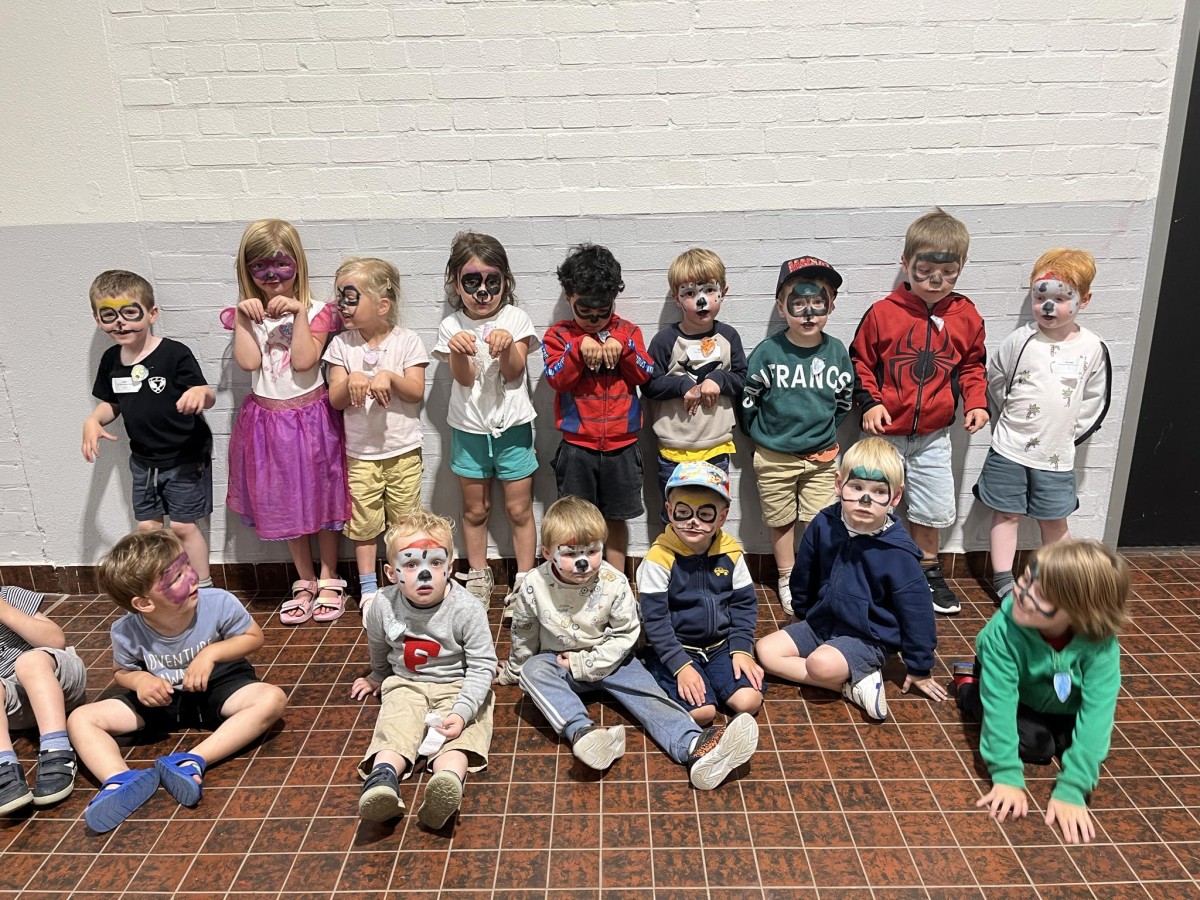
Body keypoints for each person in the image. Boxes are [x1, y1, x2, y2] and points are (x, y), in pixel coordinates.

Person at [499, 496, 759, 790]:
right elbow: (524, 633)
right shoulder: (533, 585)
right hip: (562, 664)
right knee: (533, 671)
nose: (583, 562)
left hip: (612, 659)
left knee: (650, 695)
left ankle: (695, 747)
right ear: (548, 553)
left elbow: (626, 634)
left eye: (592, 551)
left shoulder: (614, 581)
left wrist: (587, 662)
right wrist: (514, 670)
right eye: (570, 553)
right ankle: (584, 734)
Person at [68, 529, 286, 833]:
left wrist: (211, 654)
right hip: (163, 700)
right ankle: (118, 780)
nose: (192, 577)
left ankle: (192, 761)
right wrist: (140, 681)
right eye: (176, 578)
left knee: (272, 699)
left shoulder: (218, 602)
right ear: (144, 604)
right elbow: (122, 671)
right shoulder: (125, 630)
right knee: (80, 718)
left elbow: (254, 637)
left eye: (187, 566)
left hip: (219, 688)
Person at [850, 207, 989, 616]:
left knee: (931, 509)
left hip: (933, 437)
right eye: (925, 270)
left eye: (948, 272)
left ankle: (926, 574)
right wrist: (870, 403)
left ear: (962, 267)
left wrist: (977, 402)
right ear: (906, 263)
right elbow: (859, 363)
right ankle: (869, 572)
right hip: (883, 436)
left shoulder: (966, 317)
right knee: (870, 504)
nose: (935, 280)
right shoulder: (883, 313)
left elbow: (973, 365)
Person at [755, 437, 946, 721]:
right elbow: (805, 573)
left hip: (868, 637)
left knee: (819, 664)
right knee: (765, 651)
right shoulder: (823, 524)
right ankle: (851, 686)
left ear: (895, 497)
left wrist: (920, 667)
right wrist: (801, 612)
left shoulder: (899, 552)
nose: (864, 500)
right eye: (856, 487)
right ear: (838, 484)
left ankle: (854, 671)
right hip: (822, 623)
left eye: (878, 491)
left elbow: (917, 612)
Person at [956, 540, 1129, 845]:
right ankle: (968, 687)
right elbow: (1000, 705)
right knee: (1038, 747)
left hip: (1063, 702)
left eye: (1042, 595)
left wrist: (1074, 788)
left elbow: (1098, 714)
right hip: (1015, 693)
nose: (1022, 595)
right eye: (1025, 580)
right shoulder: (1003, 632)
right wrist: (1006, 776)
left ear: (1080, 611)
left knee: (1076, 744)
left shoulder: (1101, 645)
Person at [225, 219, 350, 625]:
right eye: (261, 267)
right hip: (267, 422)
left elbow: (303, 360)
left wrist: (297, 312)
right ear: (247, 270)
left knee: (323, 494)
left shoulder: (317, 311)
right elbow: (249, 362)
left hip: (311, 418)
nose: (272, 276)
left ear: (297, 264)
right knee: (284, 499)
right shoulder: (247, 313)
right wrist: (243, 319)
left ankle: (329, 575)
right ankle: (305, 578)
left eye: (281, 265)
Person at [973, 249, 1111, 602]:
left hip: (1057, 456)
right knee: (1006, 514)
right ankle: (1003, 580)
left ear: (1084, 300)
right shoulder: (1020, 340)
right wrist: (1011, 421)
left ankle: (1058, 581)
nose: (1048, 307)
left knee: (1055, 520)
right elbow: (997, 380)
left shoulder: (1092, 348)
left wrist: (1065, 435)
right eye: (1040, 297)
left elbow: (1095, 401)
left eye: (1062, 299)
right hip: (1009, 448)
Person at [351, 511, 496, 829]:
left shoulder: (467, 608)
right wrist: (377, 675)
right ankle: (382, 780)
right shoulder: (383, 604)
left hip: (457, 685)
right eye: (411, 564)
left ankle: (447, 781)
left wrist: (462, 712)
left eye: (435, 562)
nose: (425, 574)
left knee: (458, 737)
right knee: (395, 726)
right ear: (391, 573)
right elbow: (377, 642)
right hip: (406, 682)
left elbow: (483, 665)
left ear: (450, 567)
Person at [82, 270, 216, 588]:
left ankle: (205, 588)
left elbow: (206, 393)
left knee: (183, 527)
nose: (120, 323)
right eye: (109, 315)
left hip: (184, 457)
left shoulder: (174, 354)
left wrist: (201, 394)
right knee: (147, 530)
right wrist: (93, 420)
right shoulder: (111, 360)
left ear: (151, 313)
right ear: (98, 319)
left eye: (130, 313)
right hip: (144, 461)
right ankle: (164, 588)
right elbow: (111, 403)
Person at [738, 256, 854, 614]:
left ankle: (814, 574)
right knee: (780, 519)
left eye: (818, 302)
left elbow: (843, 401)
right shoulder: (768, 352)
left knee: (820, 520)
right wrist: (763, 437)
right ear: (781, 306)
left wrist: (822, 433)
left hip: (821, 457)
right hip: (774, 456)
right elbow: (749, 400)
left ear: (831, 305)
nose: (808, 313)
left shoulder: (836, 352)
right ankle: (787, 575)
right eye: (798, 302)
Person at [433, 233, 539, 607]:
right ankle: (479, 573)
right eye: (472, 282)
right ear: (456, 283)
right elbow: (463, 379)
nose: (482, 292)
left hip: (513, 427)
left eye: (492, 282)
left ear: (505, 281)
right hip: (470, 430)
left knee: (519, 509)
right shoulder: (452, 325)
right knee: (475, 509)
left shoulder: (516, 318)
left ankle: (525, 578)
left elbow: (513, 372)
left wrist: (508, 345)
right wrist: (458, 351)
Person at [325, 257, 429, 618]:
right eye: (340, 297)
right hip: (360, 455)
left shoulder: (407, 341)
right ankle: (369, 587)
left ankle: (406, 581)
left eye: (351, 298)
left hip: (403, 452)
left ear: (382, 305)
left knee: (405, 523)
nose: (343, 306)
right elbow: (335, 399)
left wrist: (390, 376)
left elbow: (416, 391)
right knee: (363, 525)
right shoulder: (341, 346)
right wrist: (352, 379)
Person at [542, 244, 654, 573]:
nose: (594, 320)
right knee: (576, 520)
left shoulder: (628, 332)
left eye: (603, 312)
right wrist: (578, 348)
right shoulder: (559, 335)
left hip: (622, 447)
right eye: (585, 311)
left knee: (616, 518)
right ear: (569, 297)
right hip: (578, 448)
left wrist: (625, 348)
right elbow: (557, 379)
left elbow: (646, 373)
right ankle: (578, 581)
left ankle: (616, 582)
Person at [636, 462, 764, 726]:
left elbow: (744, 605)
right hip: (675, 647)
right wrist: (680, 665)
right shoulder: (658, 559)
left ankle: (712, 680)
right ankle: (666, 675)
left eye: (705, 514)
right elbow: (655, 620)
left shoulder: (731, 553)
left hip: (720, 646)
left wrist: (742, 648)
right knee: (702, 713)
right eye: (683, 512)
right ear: (669, 510)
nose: (692, 522)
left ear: (722, 517)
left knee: (749, 701)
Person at [643, 248, 747, 519]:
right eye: (689, 293)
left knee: (711, 516)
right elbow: (649, 384)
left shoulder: (728, 337)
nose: (701, 301)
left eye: (709, 290)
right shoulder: (665, 341)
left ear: (723, 291)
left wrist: (718, 378)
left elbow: (742, 378)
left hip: (716, 448)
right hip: (674, 450)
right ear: (676, 299)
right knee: (675, 518)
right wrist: (682, 386)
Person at [0, 587, 86, 815]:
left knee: (28, 662)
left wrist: (3, 610)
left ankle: (57, 748)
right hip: (16, 707)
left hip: (57, 680)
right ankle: (4, 765)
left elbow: (55, 640)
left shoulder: (9, 596)